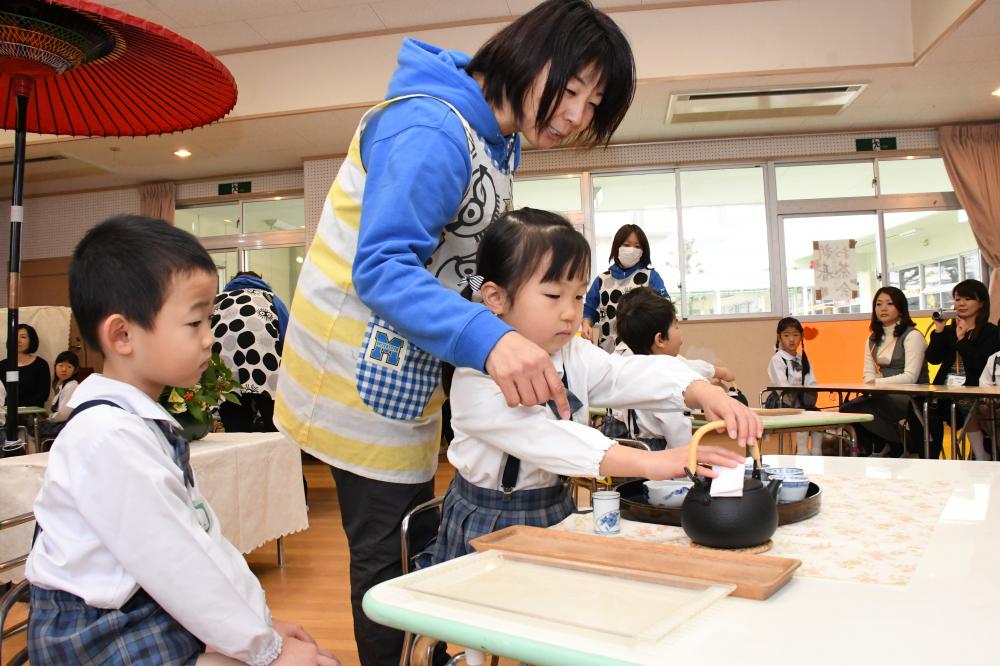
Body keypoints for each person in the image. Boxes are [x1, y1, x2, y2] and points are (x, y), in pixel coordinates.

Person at [274, 3, 636, 664]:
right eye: (573, 89)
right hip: (356, 370)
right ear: (528, 54)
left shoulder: (502, 136)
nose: (579, 115)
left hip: (408, 365)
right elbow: (382, 266)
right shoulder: (431, 129)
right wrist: (491, 339)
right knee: (387, 557)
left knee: (414, 539)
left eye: (596, 101)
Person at [25, 215, 339, 666]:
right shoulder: (106, 437)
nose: (210, 338)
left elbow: (203, 541)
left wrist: (260, 625)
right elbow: (178, 565)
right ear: (122, 335)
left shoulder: (136, 425)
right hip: (100, 640)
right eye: (195, 323)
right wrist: (264, 648)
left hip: (141, 614)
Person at [430, 209, 757, 563]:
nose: (570, 313)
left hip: (557, 507)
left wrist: (700, 389)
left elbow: (624, 373)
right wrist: (653, 462)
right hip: (492, 522)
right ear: (496, 298)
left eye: (577, 296)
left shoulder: (572, 352)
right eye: (554, 296)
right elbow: (547, 439)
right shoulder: (476, 375)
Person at [613, 286, 735, 449]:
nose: (680, 334)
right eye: (676, 326)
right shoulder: (667, 380)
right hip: (660, 456)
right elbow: (679, 440)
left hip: (634, 448)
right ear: (660, 340)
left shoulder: (636, 371)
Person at [910, 279, 1000, 460]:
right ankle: (927, 456)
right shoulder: (948, 330)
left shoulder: (991, 332)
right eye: (957, 299)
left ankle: (981, 453)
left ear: (981, 302)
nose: (961, 304)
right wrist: (939, 330)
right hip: (945, 390)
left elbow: (979, 365)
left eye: (968, 299)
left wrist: (962, 341)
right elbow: (934, 359)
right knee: (917, 404)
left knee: (965, 401)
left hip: (973, 389)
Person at [839, 287, 928, 457]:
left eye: (889, 304)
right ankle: (887, 445)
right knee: (847, 409)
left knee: (865, 407)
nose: (883, 308)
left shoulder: (912, 336)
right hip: (882, 393)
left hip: (911, 394)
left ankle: (895, 445)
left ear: (901, 308)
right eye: (879, 304)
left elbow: (911, 377)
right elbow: (868, 374)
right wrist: (873, 384)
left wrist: (877, 383)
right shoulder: (872, 339)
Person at [212, 271, 288, 432]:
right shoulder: (270, 298)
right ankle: (278, 451)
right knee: (273, 419)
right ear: (260, 281)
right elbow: (287, 333)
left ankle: (239, 451)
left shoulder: (219, 301)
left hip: (225, 364)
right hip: (264, 362)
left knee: (235, 421)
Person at [582, 224, 670, 352]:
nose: (631, 250)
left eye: (637, 246)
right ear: (617, 247)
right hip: (608, 350)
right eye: (627, 245)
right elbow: (589, 308)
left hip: (642, 350)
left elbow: (665, 309)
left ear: (643, 251)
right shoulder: (602, 280)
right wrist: (586, 324)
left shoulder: (651, 277)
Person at [766, 317, 823, 455]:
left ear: (801, 337)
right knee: (801, 415)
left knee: (818, 416)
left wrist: (808, 393)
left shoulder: (802, 359)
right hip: (783, 401)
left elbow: (811, 382)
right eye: (786, 335)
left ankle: (817, 451)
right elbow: (781, 384)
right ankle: (802, 451)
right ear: (779, 337)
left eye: (795, 335)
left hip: (801, 401)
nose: (791, 339)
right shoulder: (777, 359)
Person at [1, 323, 52, 409]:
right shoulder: (2, 365)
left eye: (23, 337)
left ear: (31, 340)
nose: (18, 340)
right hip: (6, 413)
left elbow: (43, 395)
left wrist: (20, 407)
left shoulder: (41, 365)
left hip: (32, 413)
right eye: (15, 336)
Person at [37, 350, 80, 441]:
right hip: (61, 423)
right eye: (60, 365)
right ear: (55, 367)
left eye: (69, 367)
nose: (64, 370)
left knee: (32, 429)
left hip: (64, 426)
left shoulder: (72, 385)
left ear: (75, 370)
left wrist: (49, 418)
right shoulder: (62, 385)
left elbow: (64, 414)